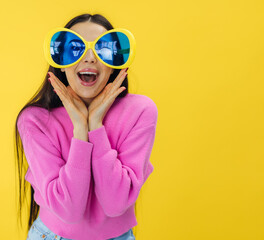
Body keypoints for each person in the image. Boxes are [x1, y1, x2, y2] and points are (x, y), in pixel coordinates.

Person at [15, 13, 158, 240]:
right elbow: (68, 211)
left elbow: (115, 203)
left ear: (114, 65)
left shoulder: (140, 111)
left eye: (103, 50)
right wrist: (80, 131)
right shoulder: (34, 120)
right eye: (75, 48)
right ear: (61, 63)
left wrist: (96, 127)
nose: (89, 57)